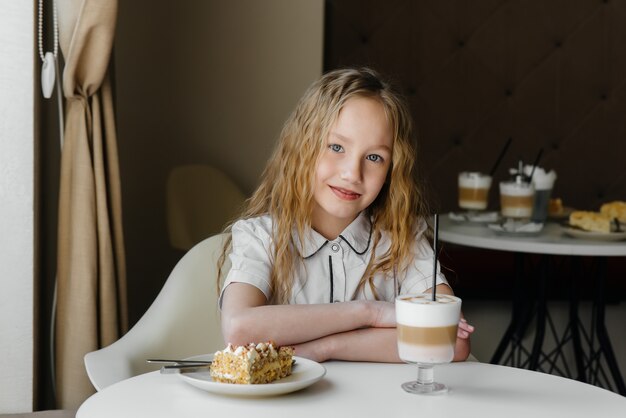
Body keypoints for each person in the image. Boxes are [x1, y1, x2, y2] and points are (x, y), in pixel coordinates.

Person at [218, 67, 474, 363]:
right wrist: (370, 312)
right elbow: (239, 328)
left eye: (374, 157)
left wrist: (328, 348)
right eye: (336, 147)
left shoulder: (403, 239)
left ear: (392, 170)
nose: (353, 173)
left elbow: (451, 341)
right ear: (302, 148)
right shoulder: (260, 237)